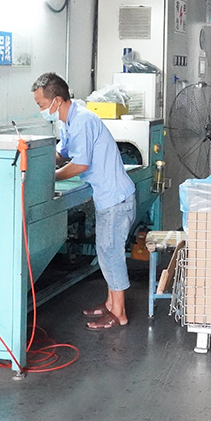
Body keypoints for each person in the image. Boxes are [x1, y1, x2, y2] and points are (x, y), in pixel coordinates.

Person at [32, 72, 136, 330]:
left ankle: (119, 313)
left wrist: (50, 177)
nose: (41, 110)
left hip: (116, 198)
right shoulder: (69, 121)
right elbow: (62, 153)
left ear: (57, 100)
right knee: (105, 253)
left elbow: (80, 164)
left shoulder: (83, 121)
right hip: (108, 197)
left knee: (111, 254)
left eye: (41, 104)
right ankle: (111, 304)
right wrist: (37, 161)